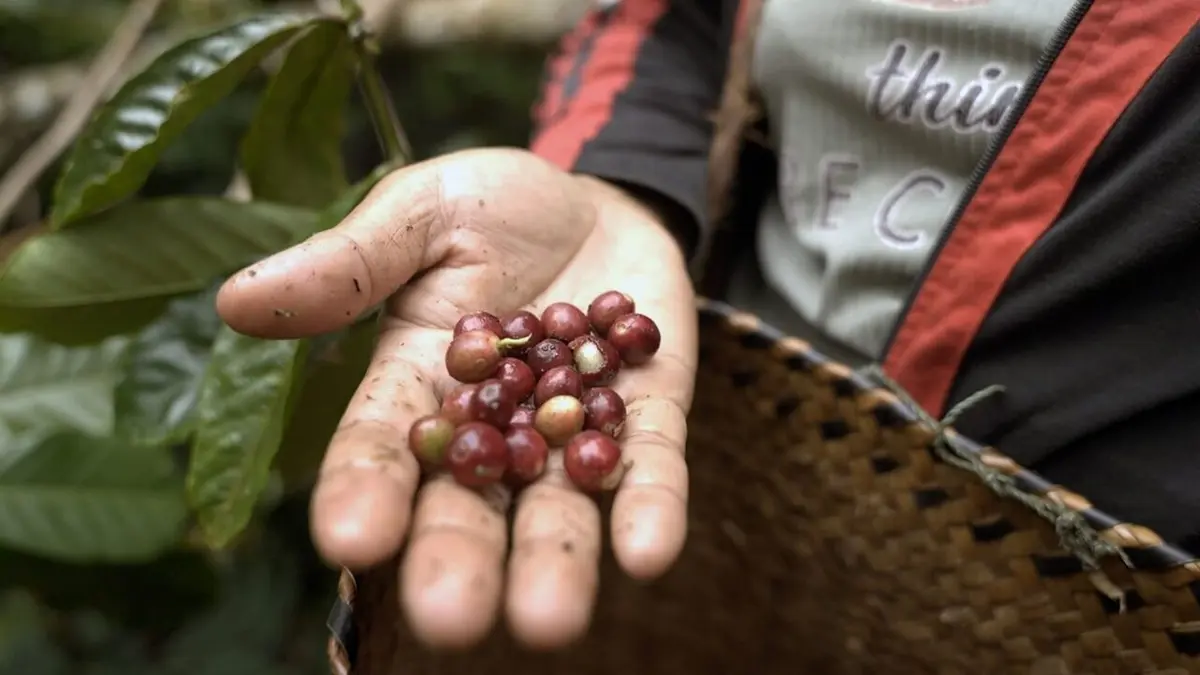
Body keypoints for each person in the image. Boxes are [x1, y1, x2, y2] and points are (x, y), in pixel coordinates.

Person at [215, 0, 1200, 653]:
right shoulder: (565, 366)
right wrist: (618, 180)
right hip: (749, 438)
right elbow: (669, 19)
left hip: (1122, 574)